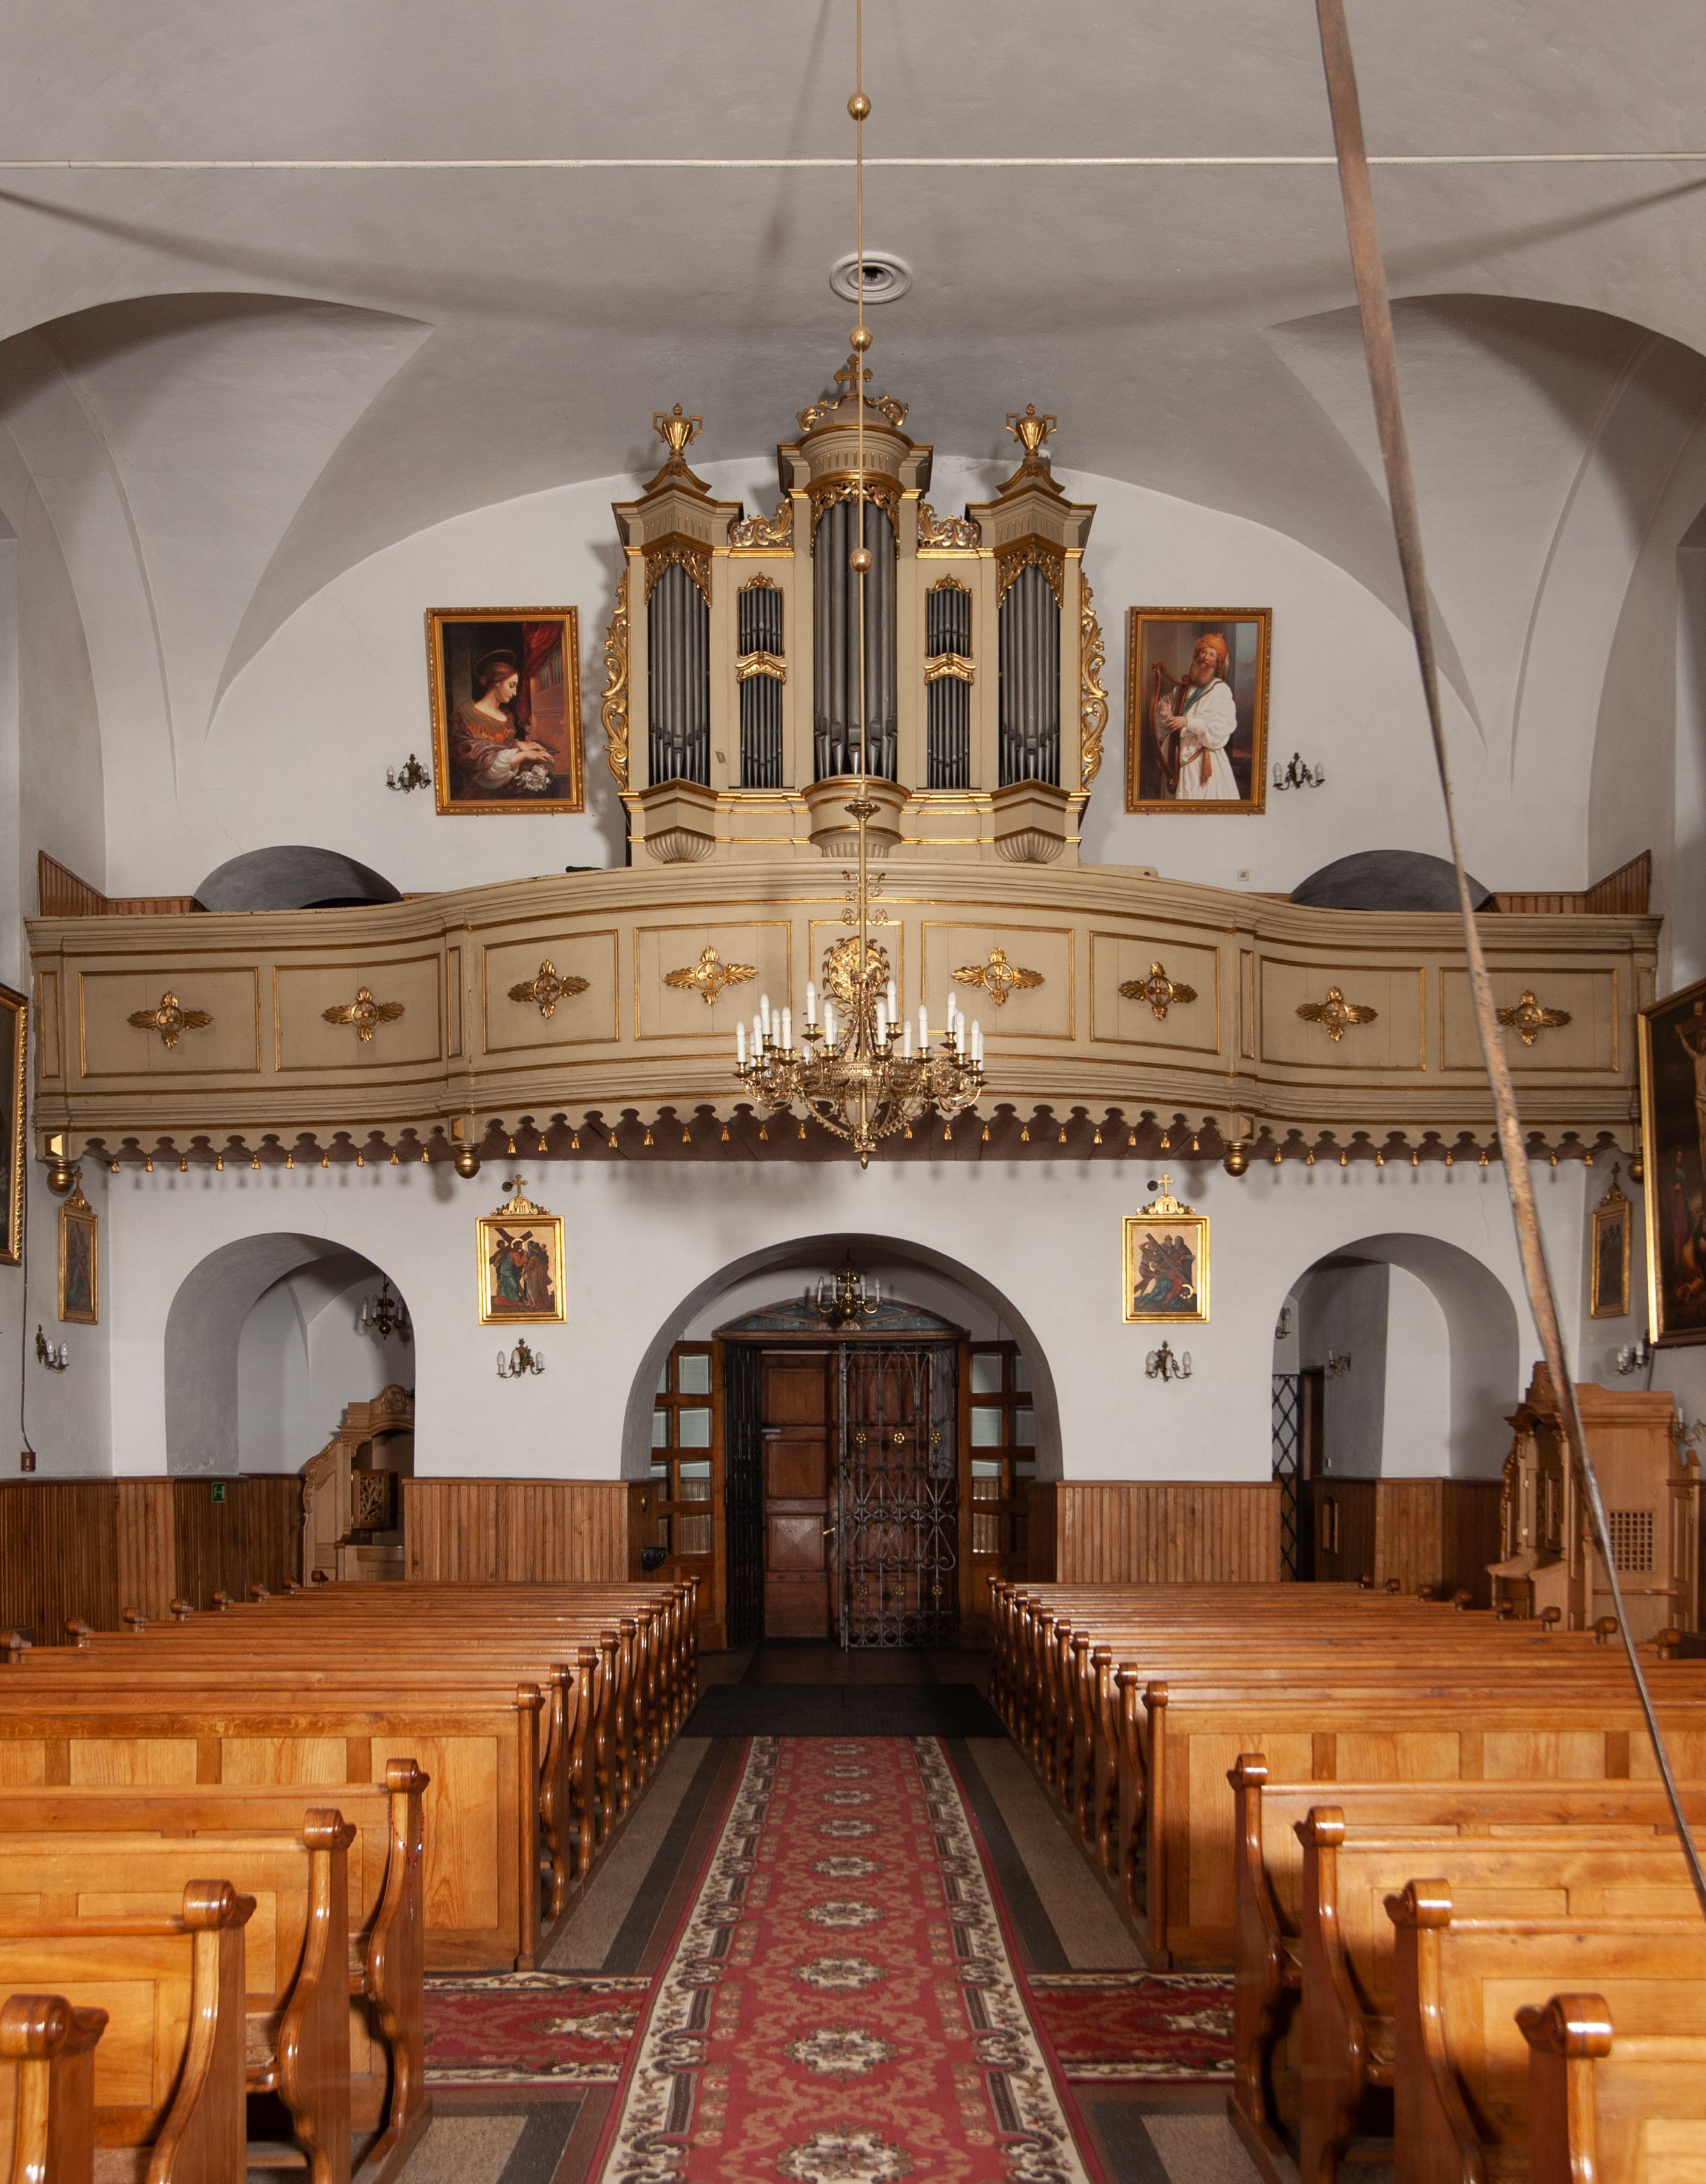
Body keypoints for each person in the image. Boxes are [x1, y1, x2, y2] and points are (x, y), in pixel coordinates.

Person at [449, 649, 556, 800]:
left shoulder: (507, 717)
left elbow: (499, 745)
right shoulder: (465, 715)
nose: (515, 693)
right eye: (511, 685)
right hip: (482, 792)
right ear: (497, 682)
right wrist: (524, 754)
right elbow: (485, 764)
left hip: (507, 787)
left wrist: (517, 744)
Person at [1152, 631, 1240, 801]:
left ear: (1217, 662)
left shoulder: (1220, 690)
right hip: (1176, 760)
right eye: (1203, 652)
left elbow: (1221, 727)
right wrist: (1165, 714)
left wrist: (1188, 722)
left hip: (1204, 762)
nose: (1205, 658)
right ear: (1197, 655)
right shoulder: (1181, 689)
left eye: (1211, 655)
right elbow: (1165, 729)